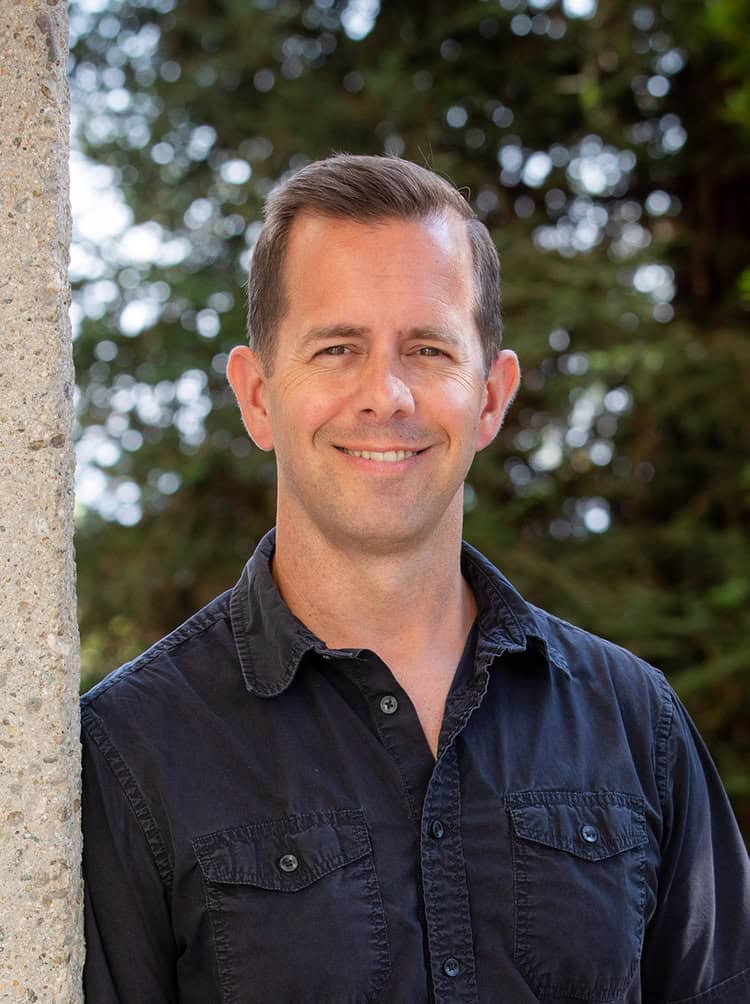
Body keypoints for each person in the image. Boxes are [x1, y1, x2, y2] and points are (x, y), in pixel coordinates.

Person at [81, 154, 750, 1003]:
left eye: (429, 348)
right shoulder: (133, 748)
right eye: (337, 348)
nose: (386, 394)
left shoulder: (634, 722)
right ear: (256, 396)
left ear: (491, 397)